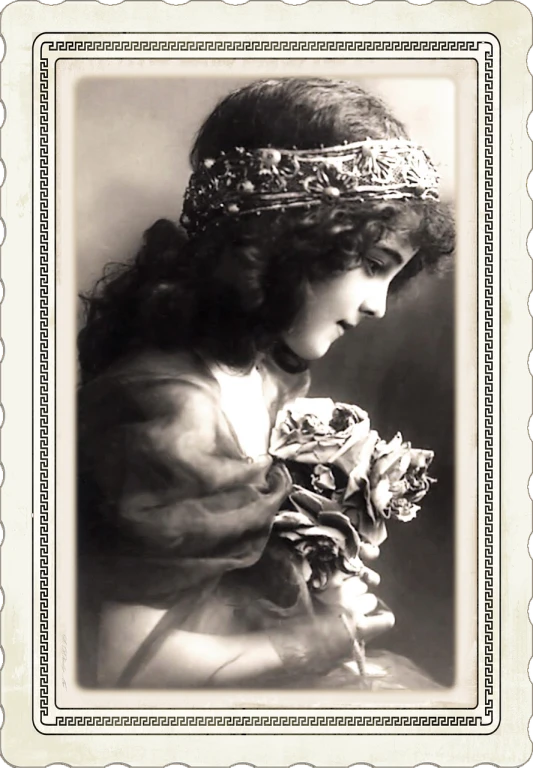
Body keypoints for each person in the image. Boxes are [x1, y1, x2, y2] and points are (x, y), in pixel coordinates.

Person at [76, 78, 454, 689]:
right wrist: (323, 637)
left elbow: (232, 579)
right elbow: (128, 667)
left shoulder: (265, 372)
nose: (381, 306)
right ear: (291, 244)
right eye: (375, 265)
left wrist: (320, 568)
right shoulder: (171, 409)